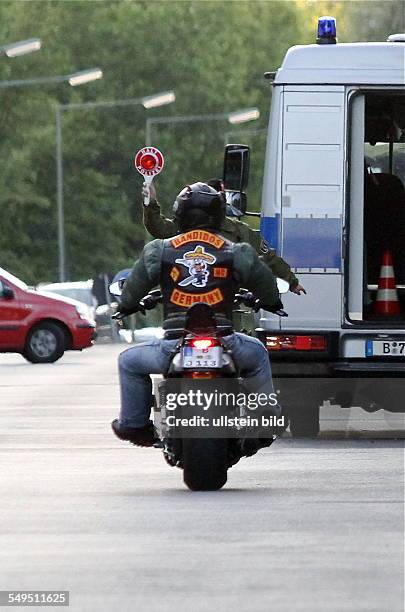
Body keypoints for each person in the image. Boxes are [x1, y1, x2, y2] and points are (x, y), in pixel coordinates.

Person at [112, 182, 284, 447]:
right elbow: (267, 286)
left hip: (173, 343)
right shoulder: (236, 250)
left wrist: (125, 305)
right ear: (218, 215)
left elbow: (133, 291)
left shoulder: (159, 250)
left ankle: (135, 425)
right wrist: (271, 302)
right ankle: (265, 420)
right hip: (225, 339)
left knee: (128, 362)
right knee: (258, 353)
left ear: (179, 214)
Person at [142, 179, 306, 295]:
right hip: (186, 298)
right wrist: (150, 202)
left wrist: (291, 281)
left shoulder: (238, 231)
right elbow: (159, 228)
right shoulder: (182, 228)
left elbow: (267, 257)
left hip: (226, 301)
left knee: (240, 341)